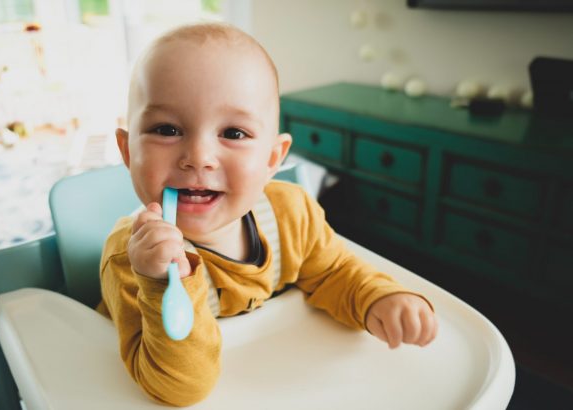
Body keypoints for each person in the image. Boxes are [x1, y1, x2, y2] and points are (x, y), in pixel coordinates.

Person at [96, 22, 438, 407]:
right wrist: (161, 282)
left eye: (234, 133)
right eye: (166, 128)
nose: (199, 157)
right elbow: (178, 388)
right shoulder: (131, 260)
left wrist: (378, 298)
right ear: (127, 151)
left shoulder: (290, 214)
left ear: (274, 158)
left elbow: (333, 272)